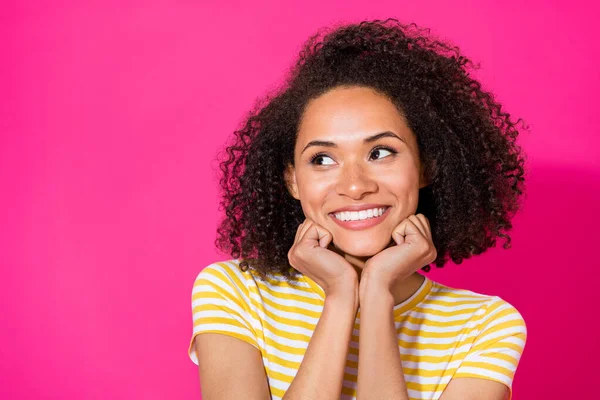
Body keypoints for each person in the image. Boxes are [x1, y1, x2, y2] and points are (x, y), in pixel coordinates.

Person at [188, 18, 527, 400]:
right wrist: (340, 297)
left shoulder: (485, 326)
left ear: (425, 167)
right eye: (322, 159)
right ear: (293, 181)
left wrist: (378, 293)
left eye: (380, 153)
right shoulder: (235, 291)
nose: (355, 185)